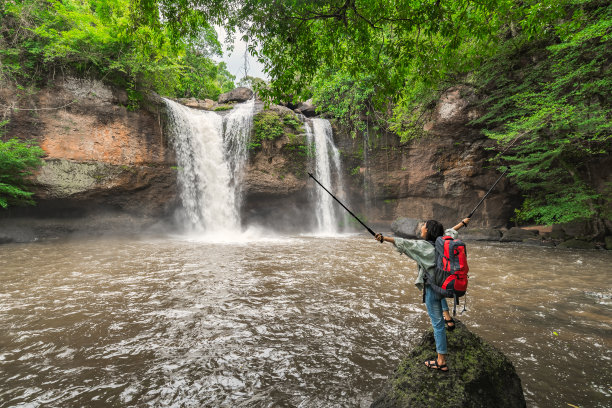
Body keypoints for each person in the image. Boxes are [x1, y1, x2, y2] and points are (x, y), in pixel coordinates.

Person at [375, 217, 470, 372]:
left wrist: (383, 238)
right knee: (440, 307)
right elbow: (451, 231)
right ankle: (448, 317)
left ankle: (441, 361)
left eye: (424, 227)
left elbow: (404, 243)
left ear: (429, 230)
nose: (421, 228)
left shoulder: (422, 247)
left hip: (433, 289)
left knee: (438, 325)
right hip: (444, 286)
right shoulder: (444, 241)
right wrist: (462, 223)